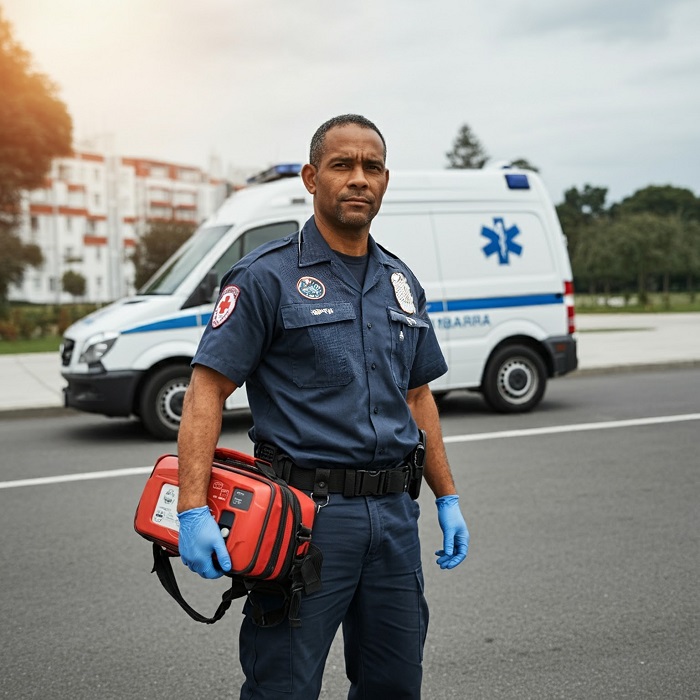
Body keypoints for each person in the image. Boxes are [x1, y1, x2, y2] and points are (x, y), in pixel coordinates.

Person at [176, 114, 469, 699]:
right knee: (282, 686)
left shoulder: (401, 282)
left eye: (373, 167)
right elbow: (207, 389)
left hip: (393, 520)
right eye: (343, 165)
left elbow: (417, 396)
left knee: (395, 684)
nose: (359, 179)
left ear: (386, 180)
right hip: (304, 520)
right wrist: (192, 507)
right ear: (312, 178)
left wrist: (449, 497)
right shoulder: (266, 277)